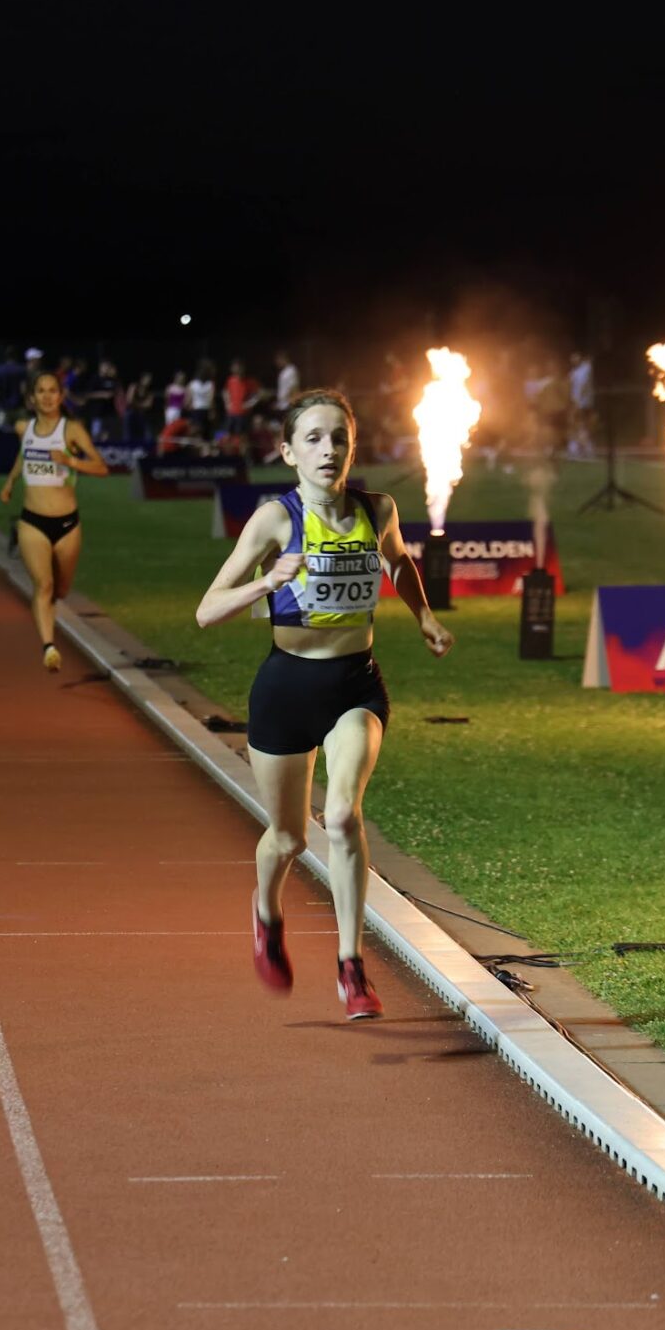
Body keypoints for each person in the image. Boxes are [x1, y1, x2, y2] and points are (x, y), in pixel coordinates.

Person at [193, 388, 453, 1021]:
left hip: (355, 686)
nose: (328, 449)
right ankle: (266, 913)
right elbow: (206, 611)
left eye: (339, 437)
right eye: (312, 438)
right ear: (288, 452)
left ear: (352, 448)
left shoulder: (377, 508)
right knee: (288, 838)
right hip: (286, 688)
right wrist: (268, 580)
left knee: (341, 817)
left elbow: (399, 562)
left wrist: (424, 616)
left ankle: (351, 965)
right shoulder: (274, 520)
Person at [0, 369, 111, 672]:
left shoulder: (71, 430)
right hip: (32, 521)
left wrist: (71, 461)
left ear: (61, 396)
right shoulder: (24, 428)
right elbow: (23, 456)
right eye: (41, 391)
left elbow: (102, 467)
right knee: (44, 585)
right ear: (31, 398)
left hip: (67, 524)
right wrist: (10, 482)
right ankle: (48, 647)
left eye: (52, 391)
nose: (47, 397)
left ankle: (52, 622)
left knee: (61, 589)